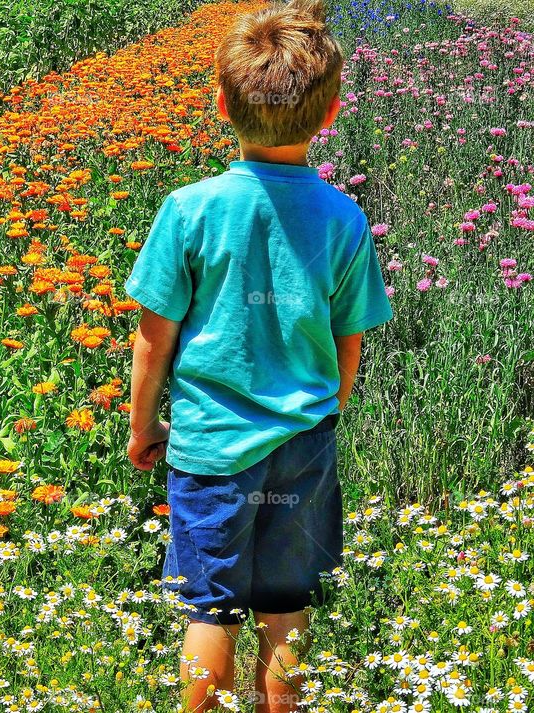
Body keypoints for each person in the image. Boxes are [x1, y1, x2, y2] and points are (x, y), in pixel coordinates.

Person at [124, 1, 394, 711]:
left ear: (220, 103)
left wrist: (143, 425)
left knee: (210, 608)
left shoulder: (189, 209)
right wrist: (326, 407)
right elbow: (349, 337)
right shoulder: (344, 217)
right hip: (304, 441)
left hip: (213, 446)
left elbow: (154, 337)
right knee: (286, 605)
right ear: (331, 112)